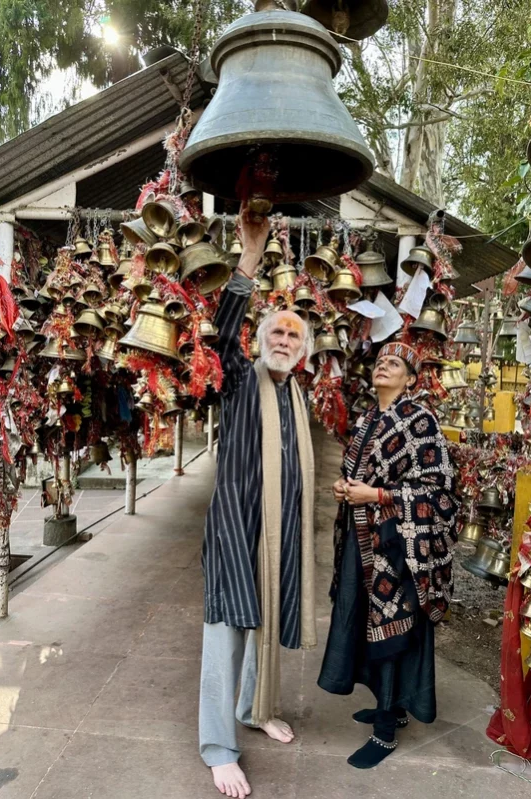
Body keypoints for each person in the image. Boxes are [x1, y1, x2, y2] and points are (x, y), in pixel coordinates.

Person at [199, 206, 317, 799]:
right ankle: (219, 747)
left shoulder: (297, 398)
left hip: (277, 535)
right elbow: (219, 333)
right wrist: (249, 256)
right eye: (277, 330)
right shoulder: (241, 377)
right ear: (260, 338)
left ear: (302, 352)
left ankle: (253, 706)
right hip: (232, 528)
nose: (284, 340)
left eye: (294, 336)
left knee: (266, 622)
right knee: (227, 628)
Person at [318, 342, 458, 769]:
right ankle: (391, 707)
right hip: (364, 544)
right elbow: (358, 476)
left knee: (391, 631)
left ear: (411, 379)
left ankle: (384, 734)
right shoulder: (367, 420)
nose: (383, 366)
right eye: (380, 361)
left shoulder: (421, 421)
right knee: (365, 623)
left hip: (399, 551)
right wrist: (346, 489)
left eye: (394, 363)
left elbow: (440, 494)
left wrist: (377, 495)